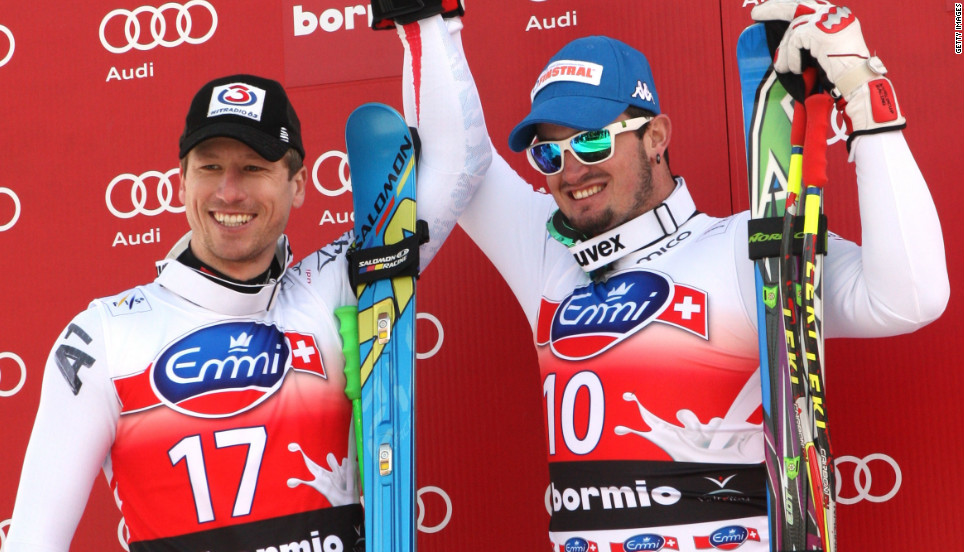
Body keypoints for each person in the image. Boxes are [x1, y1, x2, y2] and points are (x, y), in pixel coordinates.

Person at [390, 1, 950, 550]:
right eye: (549, 155)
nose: (572, 170)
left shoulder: (742, 246)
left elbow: (909, 296)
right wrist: (422, 14)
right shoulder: (545, 251)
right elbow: (456, 158)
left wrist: (861, 91)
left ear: (655, 136)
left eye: (592, 140)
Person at [4, 21, 489, 551]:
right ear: (181, 181)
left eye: (254, 168)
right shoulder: (101, 338)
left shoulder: (335, 285)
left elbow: (458, 166)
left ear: (298, 184)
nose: (229, 191)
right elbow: (33, 541)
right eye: (210, 166)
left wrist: (420, 17)